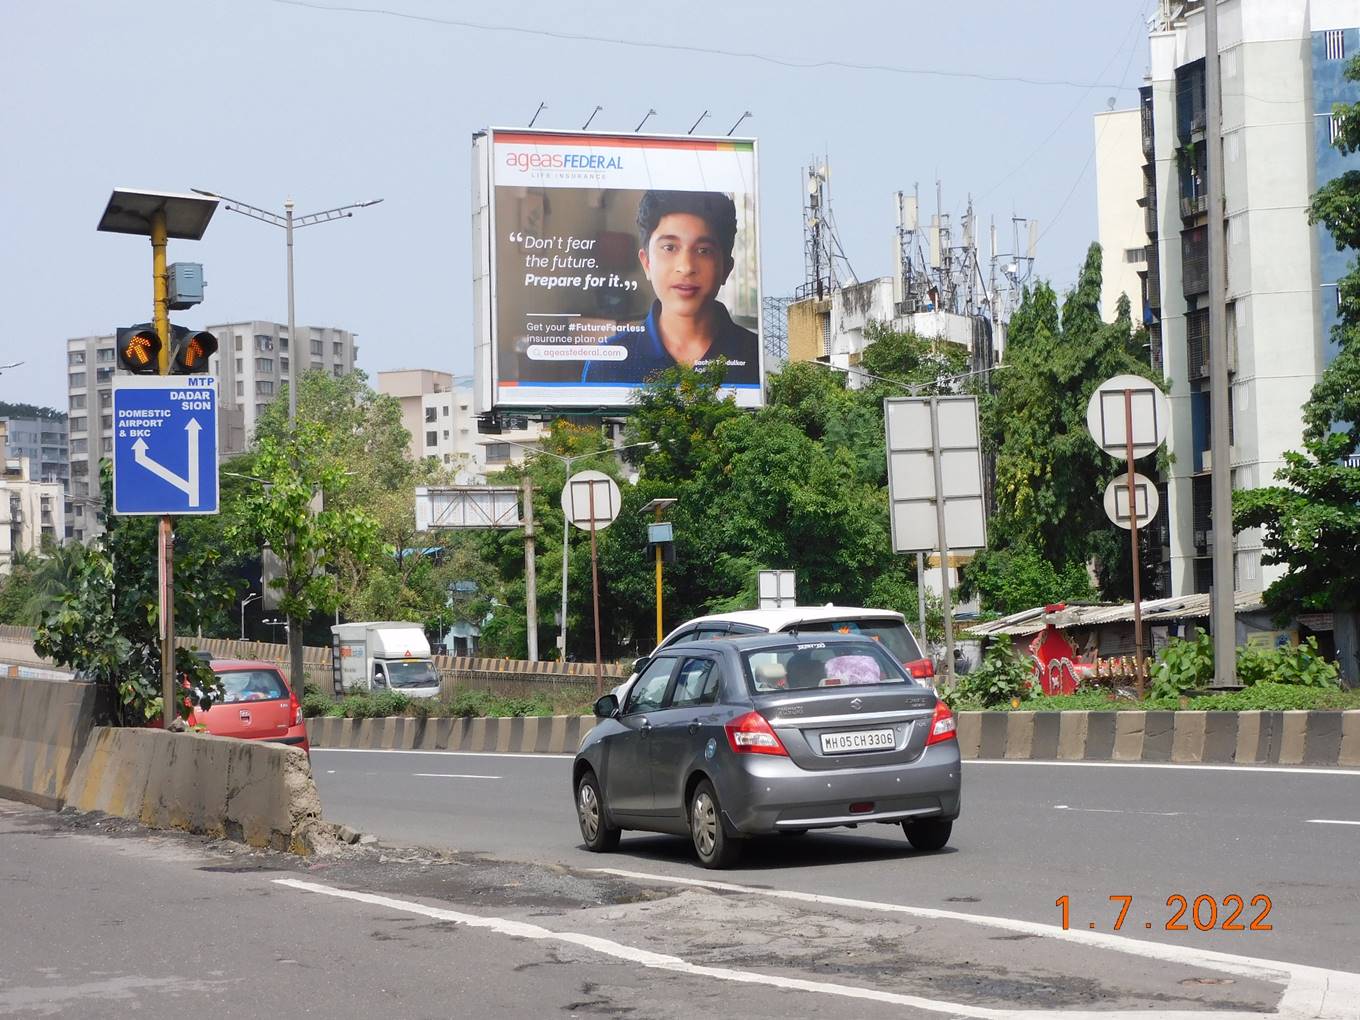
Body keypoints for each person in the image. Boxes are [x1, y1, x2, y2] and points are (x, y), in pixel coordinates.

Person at [581, 190, 759, 385]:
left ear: (726, 268)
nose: (686, 267)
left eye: (703, 250)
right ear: (646, 263)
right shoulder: (607, 362)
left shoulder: (756, 358)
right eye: (669, 247)